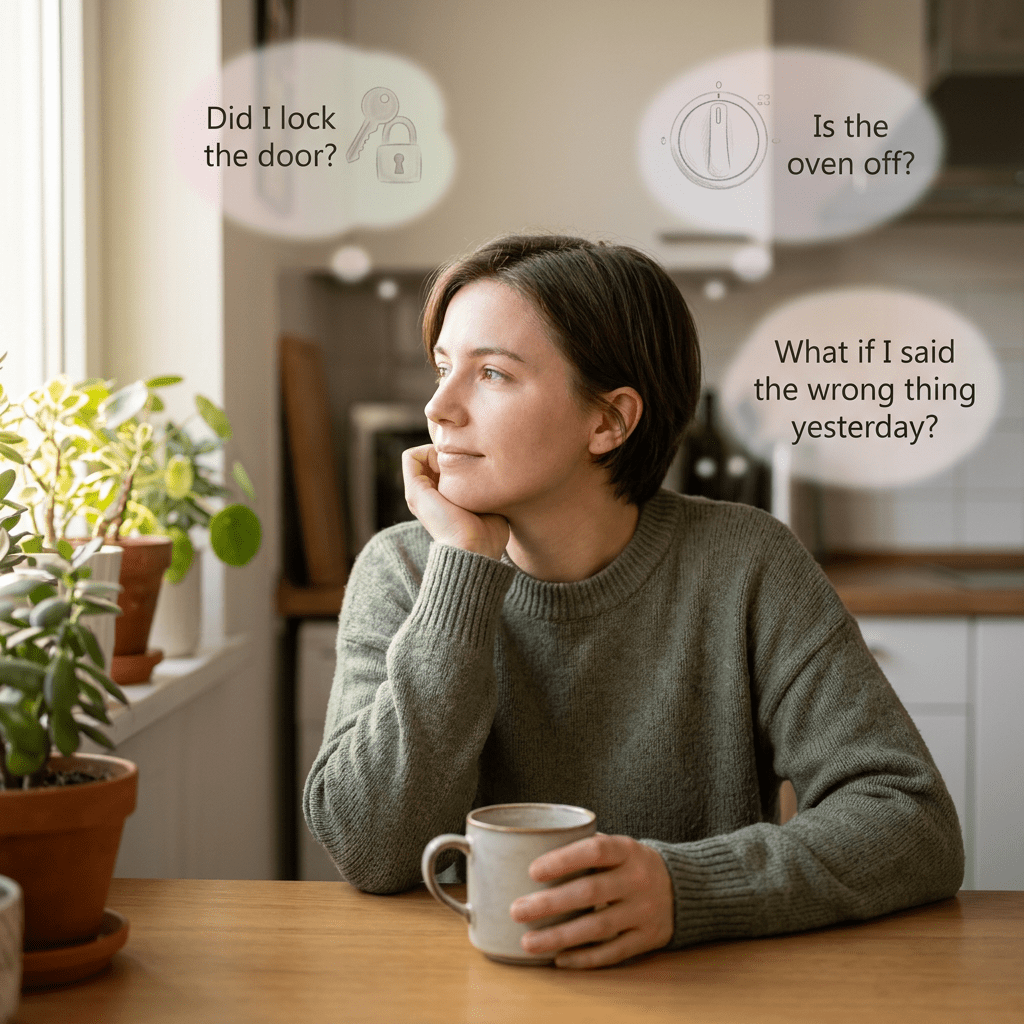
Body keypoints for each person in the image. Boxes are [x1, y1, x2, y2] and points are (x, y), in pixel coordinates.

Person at [303, 234, 964, 969]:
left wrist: (688, 889)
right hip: (469, 992)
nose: (437, 408)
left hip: (702, 992)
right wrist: (462, 570)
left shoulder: (747, 564)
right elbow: (370, 849)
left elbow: (913, 823)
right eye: (442, 368)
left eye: (491, 373)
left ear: (610, 421)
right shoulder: (400, 570)